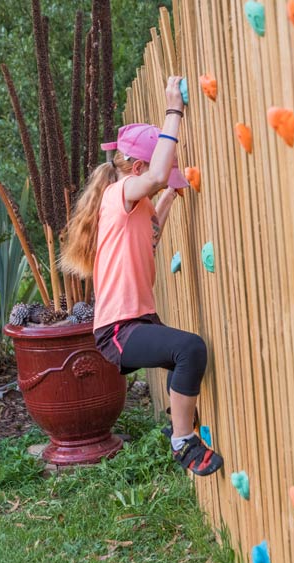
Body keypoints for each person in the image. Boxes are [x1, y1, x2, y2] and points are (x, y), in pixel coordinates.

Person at [61, 76, 223, 476]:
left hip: (135, 320)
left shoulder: (134, 207)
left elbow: (149, 241)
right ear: (136, 169)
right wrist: (174, 112)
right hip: (118, 329)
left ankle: (179, 419)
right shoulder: (120, 194)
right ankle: (182, 440)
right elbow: (152, 177)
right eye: (155, 177)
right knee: (190, 350)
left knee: (181, 358)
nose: (158, 184)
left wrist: (167, 198)